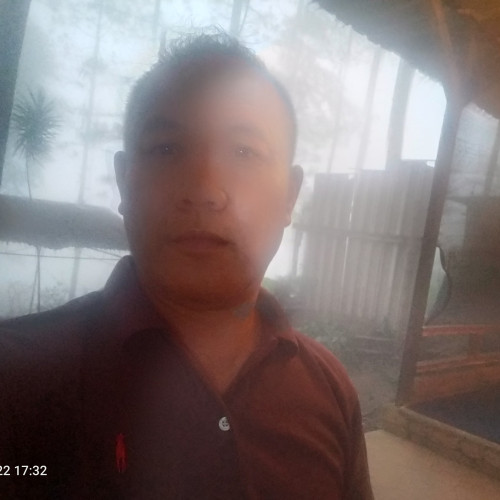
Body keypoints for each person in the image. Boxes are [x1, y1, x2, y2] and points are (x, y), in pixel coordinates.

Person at [0, 33, 373, 499]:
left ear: (290, 196)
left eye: (244, 152)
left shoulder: (329, 390)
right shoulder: (16, 377)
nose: (205, 190)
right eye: (167, 149)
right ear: (124, 181)